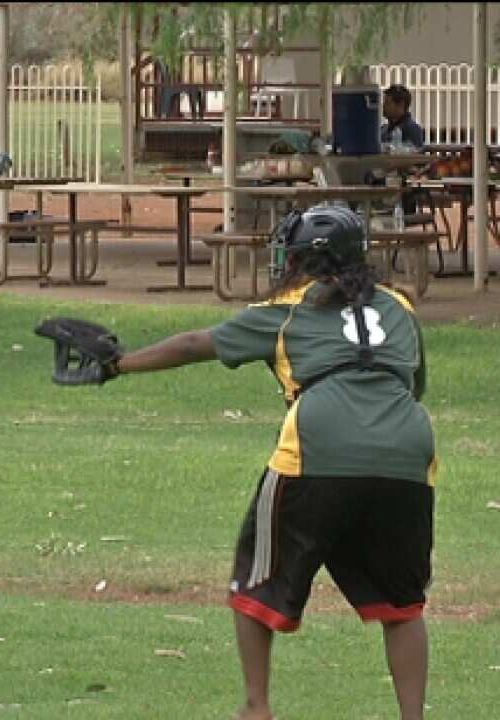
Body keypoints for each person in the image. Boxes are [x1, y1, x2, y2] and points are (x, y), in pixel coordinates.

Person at [46, 205, 436, 720]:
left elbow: (193, 344)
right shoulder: (400, 307)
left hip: (317, 447)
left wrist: (119, 364)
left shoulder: (288, 310)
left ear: (302, 260)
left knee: (255, 577)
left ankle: (257, 707)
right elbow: (413, 382)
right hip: (409, 451)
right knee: (403, 604)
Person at [381, 84, 426, 149]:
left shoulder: (413, 130)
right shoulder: (384, 129)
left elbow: (412, 156)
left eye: (387, 103)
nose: (383, 106)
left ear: (401, 105)